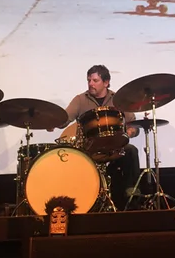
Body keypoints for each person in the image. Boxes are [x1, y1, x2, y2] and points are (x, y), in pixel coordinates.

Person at [56, 65, 142, 211]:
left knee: (131, 151)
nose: (91, 84)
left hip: (113, 148)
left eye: (95, 80)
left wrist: (130, 132)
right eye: (89, 80)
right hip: (88, 149)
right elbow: (65, 118)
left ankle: (131, 196)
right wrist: (53, 120)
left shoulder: (118, 99)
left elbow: (133, 126)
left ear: (106, 82)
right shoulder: (80, 100)